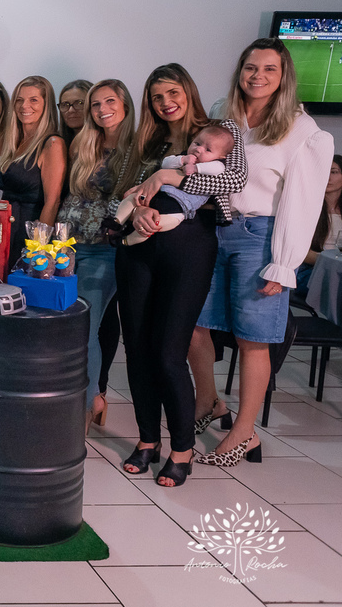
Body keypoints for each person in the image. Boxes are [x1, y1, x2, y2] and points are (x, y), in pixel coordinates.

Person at [189, 38, 333, 468]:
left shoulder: (301, 129)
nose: (258, 76)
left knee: (253, 340)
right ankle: (209, 403)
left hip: (261, 235)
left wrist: (284, 262)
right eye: (251, 68)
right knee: (194, 324)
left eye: (269, 69)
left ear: (283, 75)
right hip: (216, 228)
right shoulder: (225, 113)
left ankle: (244, 432)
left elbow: (303, 201)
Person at [116, 64, 245, 488]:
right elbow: (128, 192)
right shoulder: (149, 141)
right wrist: (140, 208)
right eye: (156, 97)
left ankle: (183, 449)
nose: (165, 102)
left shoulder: (218, 132)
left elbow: (236, 180)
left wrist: (171, 174)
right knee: (136, 349)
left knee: (168, 353)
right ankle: (148, 440)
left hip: (189, 249)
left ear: (188, 91)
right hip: (139, 248)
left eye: (172, 92)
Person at [55, 79, 135, 431]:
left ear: (126, 104)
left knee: (83, 326)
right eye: (96, 104)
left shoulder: (136, 150)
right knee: (61, 324)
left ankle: (85, 408)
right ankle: (86, 399)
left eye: (110, 102)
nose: (102, 110)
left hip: (104, 250)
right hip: (66, 245)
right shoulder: (84, 143)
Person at [116, 125, 233, 245]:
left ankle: (127, 241)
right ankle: (116, 221)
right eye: (197, 143)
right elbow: (165, 163)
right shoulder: (184, 156)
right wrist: (182, 160)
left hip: (180, 209)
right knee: (132, 198)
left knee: (157, 225)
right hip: (159, 196)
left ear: (221, 156)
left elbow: (217, 169)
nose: (198, 150)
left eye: (208, 150)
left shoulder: (216, 165)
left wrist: (195, 168)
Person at [0, 76, 67, 266]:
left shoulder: (52, 144)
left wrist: (38, 249)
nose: (24, 106)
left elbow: (52, 202)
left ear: (46, 105)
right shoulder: (14, 142)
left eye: (33, 100)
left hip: (28, 238)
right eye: (19, 100)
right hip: (4, 234)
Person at [296, 154, 342, 296]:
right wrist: (329, 262)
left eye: (333, 172)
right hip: (311, 270)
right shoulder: (307, 207)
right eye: (324, 170)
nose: (328, 177)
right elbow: (300, 253)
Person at [56, 79, 92, 147]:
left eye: (79, 103)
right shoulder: (56, 143)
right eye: (65, 104)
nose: (70, 110)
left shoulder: (105, 143)